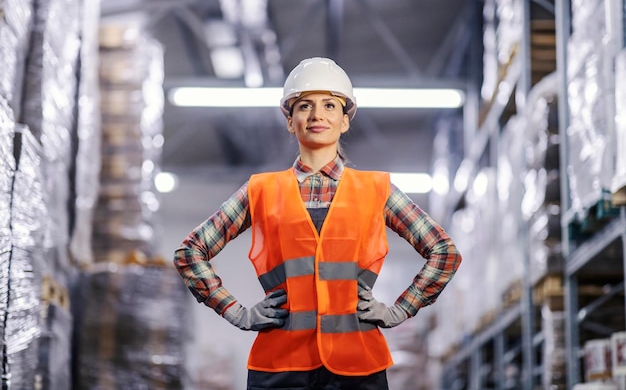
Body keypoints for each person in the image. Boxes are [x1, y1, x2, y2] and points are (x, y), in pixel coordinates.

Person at [173, 57, 462, 390]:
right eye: (304, 106)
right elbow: (190, 252)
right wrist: (237, 312)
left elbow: (444, 252)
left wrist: (400, 310)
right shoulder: (261, 190)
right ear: (290, 121)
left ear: (344, 121)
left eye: (329, 105)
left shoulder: (377, 190)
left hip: (357, 366)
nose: (316, 115)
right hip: (280, 368)